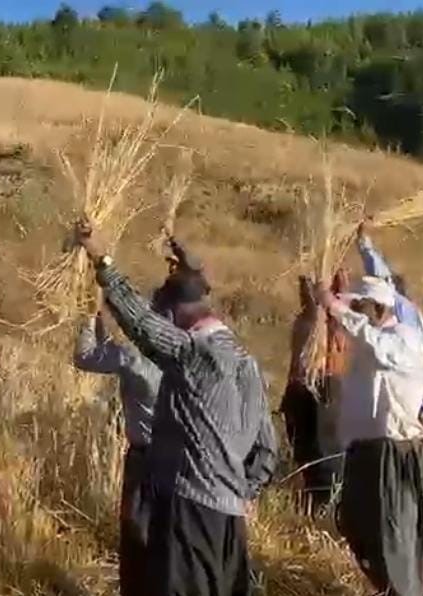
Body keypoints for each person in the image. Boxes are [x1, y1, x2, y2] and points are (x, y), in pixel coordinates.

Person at [74, 220, 277, 596]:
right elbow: (266, 450)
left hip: (191, 512)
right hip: (230, 522)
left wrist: (100, 257)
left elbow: (139, 322)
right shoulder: (246, 364)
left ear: (171, 315)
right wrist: (237, 491)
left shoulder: (192, 353)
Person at [73, 235, 204, 596]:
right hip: (185, 462)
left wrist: (87, 316)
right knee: (170, 539)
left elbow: (86, 356)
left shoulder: (135, 360)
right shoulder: (195, 351)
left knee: (138, 537)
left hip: (146, 460)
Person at [316, 276, 423, 596]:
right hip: (366, 454)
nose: (356, 312)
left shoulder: (402, 340)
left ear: (379, 308)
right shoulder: (370, 343)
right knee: (359, 528)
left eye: (361, 306)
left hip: (392, 454)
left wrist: (338, 309)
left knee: (392, 538)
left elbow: (381, 348)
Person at [281, 272, 349, 514]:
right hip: (313, 388)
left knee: (319, 456)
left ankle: (320, 504)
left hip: (319, 388)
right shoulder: (315, 322)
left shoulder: (324, 322)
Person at [356, 221, 423, 418]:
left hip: (399, 394)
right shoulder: (416, 315)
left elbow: (381, 275)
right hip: (416, 395)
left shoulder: (397, 305)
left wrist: (364, 242)